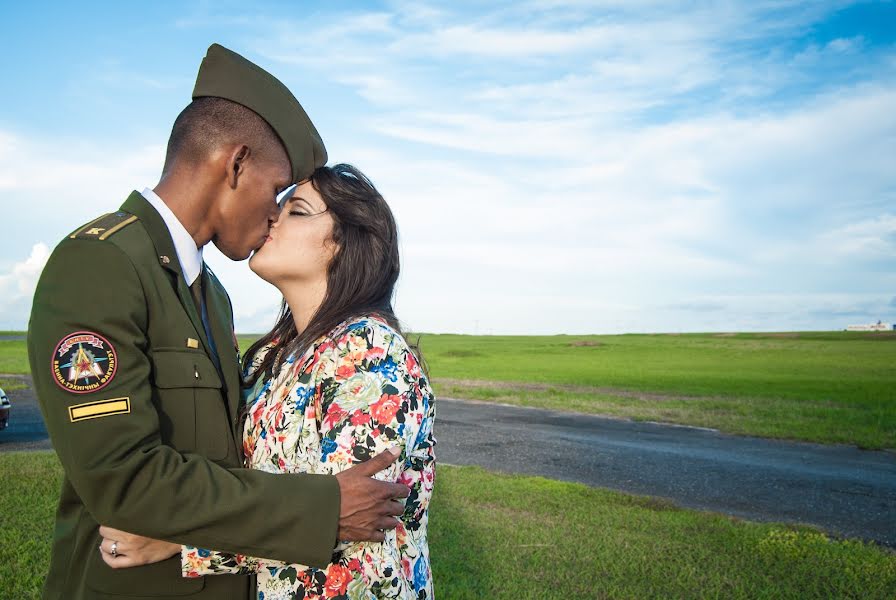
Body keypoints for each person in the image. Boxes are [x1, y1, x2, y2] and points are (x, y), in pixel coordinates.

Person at [27, 44, 408, 600]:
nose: (275, 213)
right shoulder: (102, 263)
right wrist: (322, 508)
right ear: (235, 164)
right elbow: (123, 478)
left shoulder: (212, 295)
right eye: (277, 190)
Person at [98, 165, 437, 599]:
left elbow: (354, 521)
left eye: (297, 210)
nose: (272, 216)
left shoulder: (369, 353)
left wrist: (182, 541)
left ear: (344, 244)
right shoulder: (271, 355)